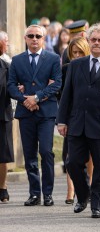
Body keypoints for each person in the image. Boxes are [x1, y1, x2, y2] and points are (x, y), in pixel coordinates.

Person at [57, 24, 100, 219]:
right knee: (72, 163)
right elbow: (66, 96)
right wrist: (61, 120)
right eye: (93, 39)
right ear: (88, 41)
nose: (96, 43)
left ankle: (97, 205)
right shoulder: (75, 65)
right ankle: (84, 195)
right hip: (77, 124)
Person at [7, 25, 62, 207]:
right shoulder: (17, 60)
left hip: (46, 113)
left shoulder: (53, 58)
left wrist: (37, 97)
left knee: (46, 152)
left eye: (38, 36)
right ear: (25, 38)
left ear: (43, 38)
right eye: (30, 36)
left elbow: (57, 84)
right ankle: (34, 194)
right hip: (25, 112)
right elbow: (11, 85)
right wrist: (24, 99)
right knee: (30, 154)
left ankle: (48, 193)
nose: (34, 39)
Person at [60, 37, 94, 204]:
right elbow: (63, 96)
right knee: (70, 156)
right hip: (73, 117)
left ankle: (91, 185)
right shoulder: (66, 69)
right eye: (75, 53)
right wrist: (62, 120)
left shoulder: (94, 67)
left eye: (81, 52)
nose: (78, 55)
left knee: (90, 156)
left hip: (92, 117)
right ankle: (71, 189)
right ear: (70, 54)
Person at [0, 31, 13, 203]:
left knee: (3, 154)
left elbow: (12, 89)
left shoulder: (6, 65)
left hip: (2, 114)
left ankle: (2, 187)